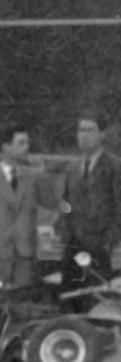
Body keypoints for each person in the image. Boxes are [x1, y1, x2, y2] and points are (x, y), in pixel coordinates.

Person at [0, 124, 57, 304]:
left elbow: (52, 203)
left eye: (27, 143)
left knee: (21, 307)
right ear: (6, 147)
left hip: (24, 255)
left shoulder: (33, 177)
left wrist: (43, 174)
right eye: (21, 143)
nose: (27, 148)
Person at [52, 111, 121, 312]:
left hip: (101, 248)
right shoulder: (72, 168)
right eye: (81, 130)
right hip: (72, 246)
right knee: (68, 300)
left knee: (97, 301)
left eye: (90, 130)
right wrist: (64, 225)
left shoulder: (115, 167)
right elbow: (65, 203)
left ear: (102, 135)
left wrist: (109, 242)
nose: (84, 135)